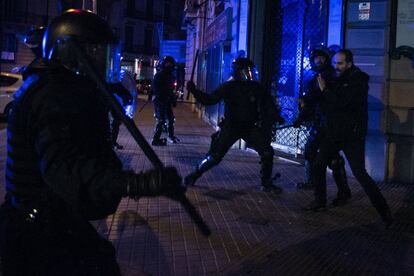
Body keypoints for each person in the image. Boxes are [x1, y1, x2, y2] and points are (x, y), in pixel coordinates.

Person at [0, 10, 184, 275]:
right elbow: (67, 169)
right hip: (37, 233)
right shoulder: (53, 96)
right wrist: (141, 183)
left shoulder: (63, 87)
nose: (102, 59)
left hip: (54, 219)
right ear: (72, 52)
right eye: (97, 51)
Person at [308, 49, 393, 226]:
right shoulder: (337, 78)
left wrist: (325, 91)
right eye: (335, 63)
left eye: (340, 63)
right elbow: (326, 100)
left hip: (351, 134)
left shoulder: (358, 80)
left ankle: (384, 211)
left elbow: (341, 103)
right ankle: (320, 201)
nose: (336, 66)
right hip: (334, 132)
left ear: (349, 63)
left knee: (360, 173)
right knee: (318, 163)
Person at [185, 58, 284, 193]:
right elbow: (210, 99)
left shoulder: (256, 87)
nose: (250, 74)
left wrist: (277, 117)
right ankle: (194, 175)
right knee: (215, 157)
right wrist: (194, 91)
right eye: (246, 71)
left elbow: (268, 103)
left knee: (267, 151)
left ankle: (266, 183)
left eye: (251, 71)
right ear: (238, 71)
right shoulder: (228, 87)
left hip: (249, 127)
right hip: (231, 127)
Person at [294, 47, 351, 206]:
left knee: (331, 159)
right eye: (316, 58)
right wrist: (302, 116)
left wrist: (302, 115)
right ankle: (314, 182)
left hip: (331, 124)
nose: (318, 61)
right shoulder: (316, 77)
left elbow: (318, 99)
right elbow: (312, 102)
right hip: (320, 123)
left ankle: (342, 191)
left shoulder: (330, 77)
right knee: (311, 152)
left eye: (321, 58)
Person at [151, 56, 180, 146]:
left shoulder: (171, 76)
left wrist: (173, 99)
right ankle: (155, 139)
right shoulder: (159, 75)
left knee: (170, 119)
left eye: (170, 64)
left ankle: (170, 136)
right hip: (160, 101)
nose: (169, 65)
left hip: (167, 101)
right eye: (167, 63)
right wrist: (161, 95)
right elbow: (155, 88)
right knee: (161, 120)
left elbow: (171, 90)